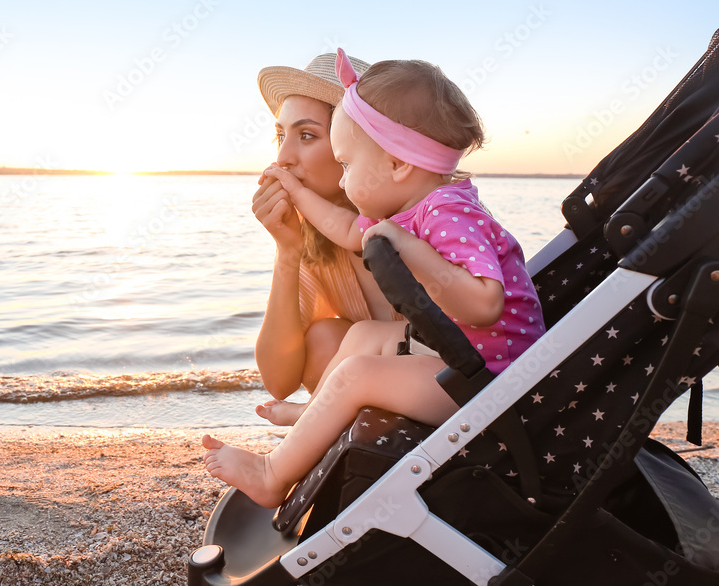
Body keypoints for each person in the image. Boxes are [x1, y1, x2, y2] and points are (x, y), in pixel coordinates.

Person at [203, 50, 545, 508]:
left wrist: (413, 252)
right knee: (362, 335)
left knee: (359, 374)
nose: (284, 158)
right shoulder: (409, 211)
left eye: (343, 162)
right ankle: (314, 415)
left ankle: (271, 474)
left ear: (397, 164)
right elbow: (346, 231)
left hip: (490, 380)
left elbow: (485, 305)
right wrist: (294, 221)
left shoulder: (447, 213)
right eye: (281, 136)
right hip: (461, 358)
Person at [252, 52, 397, 424]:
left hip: (446, 384)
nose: (282, 157)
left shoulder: (422, 216)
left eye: (306, 135)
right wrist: (287, 251)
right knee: (324, 337)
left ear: (357, 142)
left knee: (354, 336)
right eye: (280, 135)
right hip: (380, 391)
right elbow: (279, 382)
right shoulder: (315, 239)